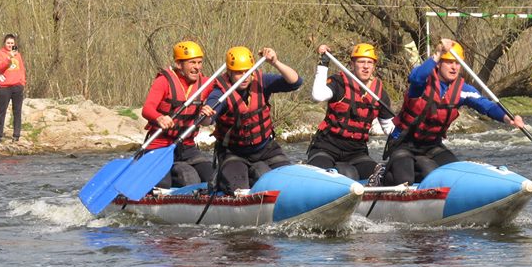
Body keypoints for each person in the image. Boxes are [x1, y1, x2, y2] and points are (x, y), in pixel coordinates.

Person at [382, 38, 525, 186]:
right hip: (403, 143)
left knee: (454, 177)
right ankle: (384, 175)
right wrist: (438, 53)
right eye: (449, 62)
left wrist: (507, 118)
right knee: (404, 179)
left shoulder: (463, 90)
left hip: (431, 146)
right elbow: (415, 77)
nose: (454, 67)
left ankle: (423, 172)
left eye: (457, 63)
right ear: (439, 64)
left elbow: (487, 106)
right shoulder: (422, 83)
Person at [205, 46, 302, 193]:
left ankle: (256, 175)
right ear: (229, 72)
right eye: (238, 73)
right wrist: (206, 114)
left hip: (265, 148)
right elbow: (208, 120)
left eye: (246, 72)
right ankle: (225, 179)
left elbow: (295, 82)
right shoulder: (220, 92)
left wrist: (275, 62)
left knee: (287, 180)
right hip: (233, 152)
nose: (243, 76)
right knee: (236, 188)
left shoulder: (261, 81)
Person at [307, 42, 394, 180]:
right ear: (352, 65)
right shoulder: (339, 82)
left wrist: (407, 134)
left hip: (356, 151)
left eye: (369, 63)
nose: (366, 66)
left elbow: (389, 128)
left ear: (374, 66)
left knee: (378, 175)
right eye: (361, 62)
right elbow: (318, 95)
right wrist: (323, 63)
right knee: (320, 172)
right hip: (327, 147)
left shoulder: (380, 94)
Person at [140, 40, 216, 189]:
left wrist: (208, 114)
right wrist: (159, 118)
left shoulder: (205, 83)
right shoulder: (163, 81)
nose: (197, 67)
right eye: (192, 63)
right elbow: (147, 109)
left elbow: (227, 87)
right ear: (179, 64)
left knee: (212, 176)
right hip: (159, 145)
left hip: (186, 147)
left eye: (199, 62)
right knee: (177, 180)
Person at [0, 34, 26, 142]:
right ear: (4, 43)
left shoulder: (18, 55)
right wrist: (10, 57)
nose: (10, 45)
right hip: (5, 87)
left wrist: (22, 82)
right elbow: (1, 66)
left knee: (17, 111)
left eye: (12, 43)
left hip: (17, 86)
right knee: (1, 111)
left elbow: (21, 69)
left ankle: (16, 135)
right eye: (8, 43)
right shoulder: (0, 54)